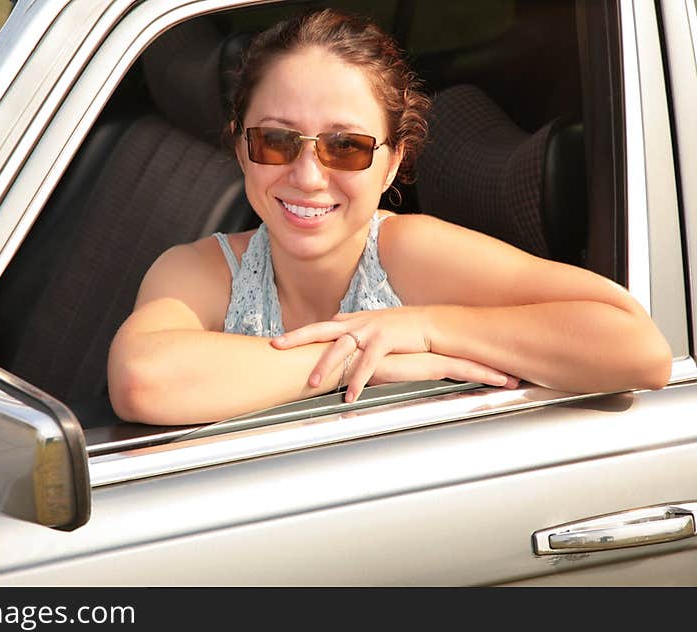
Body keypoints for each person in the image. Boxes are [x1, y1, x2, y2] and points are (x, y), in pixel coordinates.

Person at [107, 8, 672, 426]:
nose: (307, 175)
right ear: (240, 147)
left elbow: (637, 348)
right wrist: (364, 359)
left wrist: (424, 329)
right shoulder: (204, 270)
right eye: (277, 141)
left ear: (392, 161)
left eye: (346, 146)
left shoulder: (409, 253)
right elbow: (142, 379)